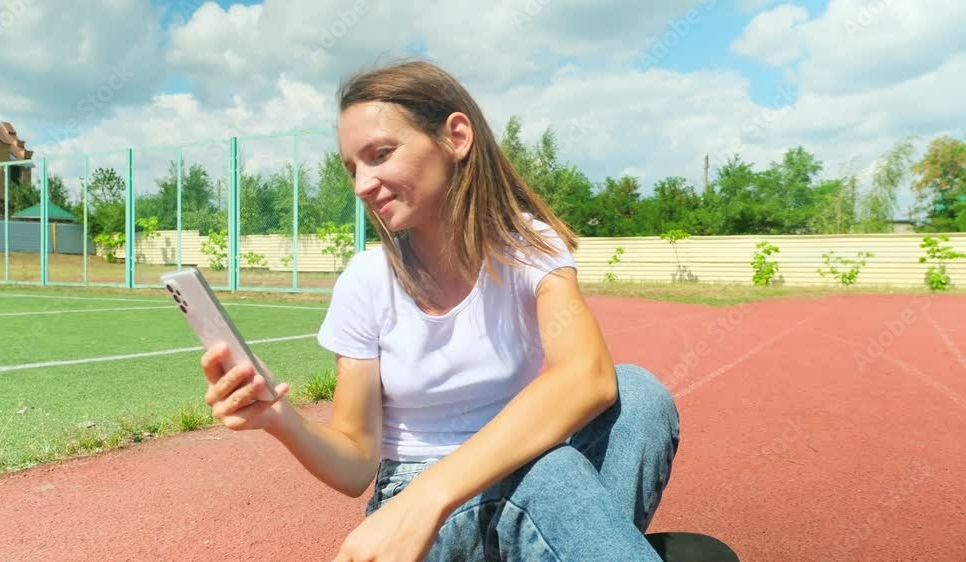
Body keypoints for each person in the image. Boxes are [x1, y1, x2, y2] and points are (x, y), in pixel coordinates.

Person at [199, 58, 680, 561]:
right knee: (552, 472)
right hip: (414, 503)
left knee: (638, 397)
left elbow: (588, 377)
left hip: (474, 484)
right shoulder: (367, 280)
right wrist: (279, 417)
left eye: (379, 155)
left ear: (456, 137)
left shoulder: (527, 249)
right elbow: (356, 464)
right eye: (352, 168)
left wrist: (432, 496)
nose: (362, 184)